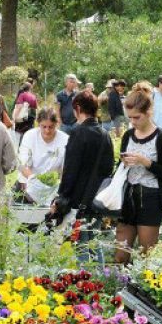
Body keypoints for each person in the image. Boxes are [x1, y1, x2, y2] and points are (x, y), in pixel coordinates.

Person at [115, 83, 162, 264]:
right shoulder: (128, 135)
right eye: (130, 118)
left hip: (151, 198)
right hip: (128, 197)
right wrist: (123, 163)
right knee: (120, 255)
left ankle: (139, 291)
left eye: (137, 117)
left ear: (149, 112)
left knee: (146, 256)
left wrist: (146, 162)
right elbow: (120, 167)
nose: (133, 122)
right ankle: (118, 289)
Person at [52, 91, 113, 263]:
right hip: (98, 198)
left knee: (80, 246)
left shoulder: (78, 133)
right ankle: (100, 280)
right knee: (94, 243)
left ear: (77, 108)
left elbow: (70, 170)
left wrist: (61, 197)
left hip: (79, 200)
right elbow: (108, 168)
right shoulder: (105, 134)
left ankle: (85, 283)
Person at [16, 107, 69, 193]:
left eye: (51, 127)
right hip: (28, 183)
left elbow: (65, 170)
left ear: (56, 124)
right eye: (44, 127)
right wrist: (36, 182)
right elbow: (23, 164)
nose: (47, 131)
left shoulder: (65, 140)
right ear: (38, 124)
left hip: (52, 187)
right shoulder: (30, 136)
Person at [12, 82, 38, 147]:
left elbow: (19, 107)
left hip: (23, 118)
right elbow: (35, 108)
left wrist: (14, 118)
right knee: (29, 135)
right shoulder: (33, 96)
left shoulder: (22, 95)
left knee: (21, 135)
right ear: (30, 88)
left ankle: (21, 150)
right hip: (31, 118)